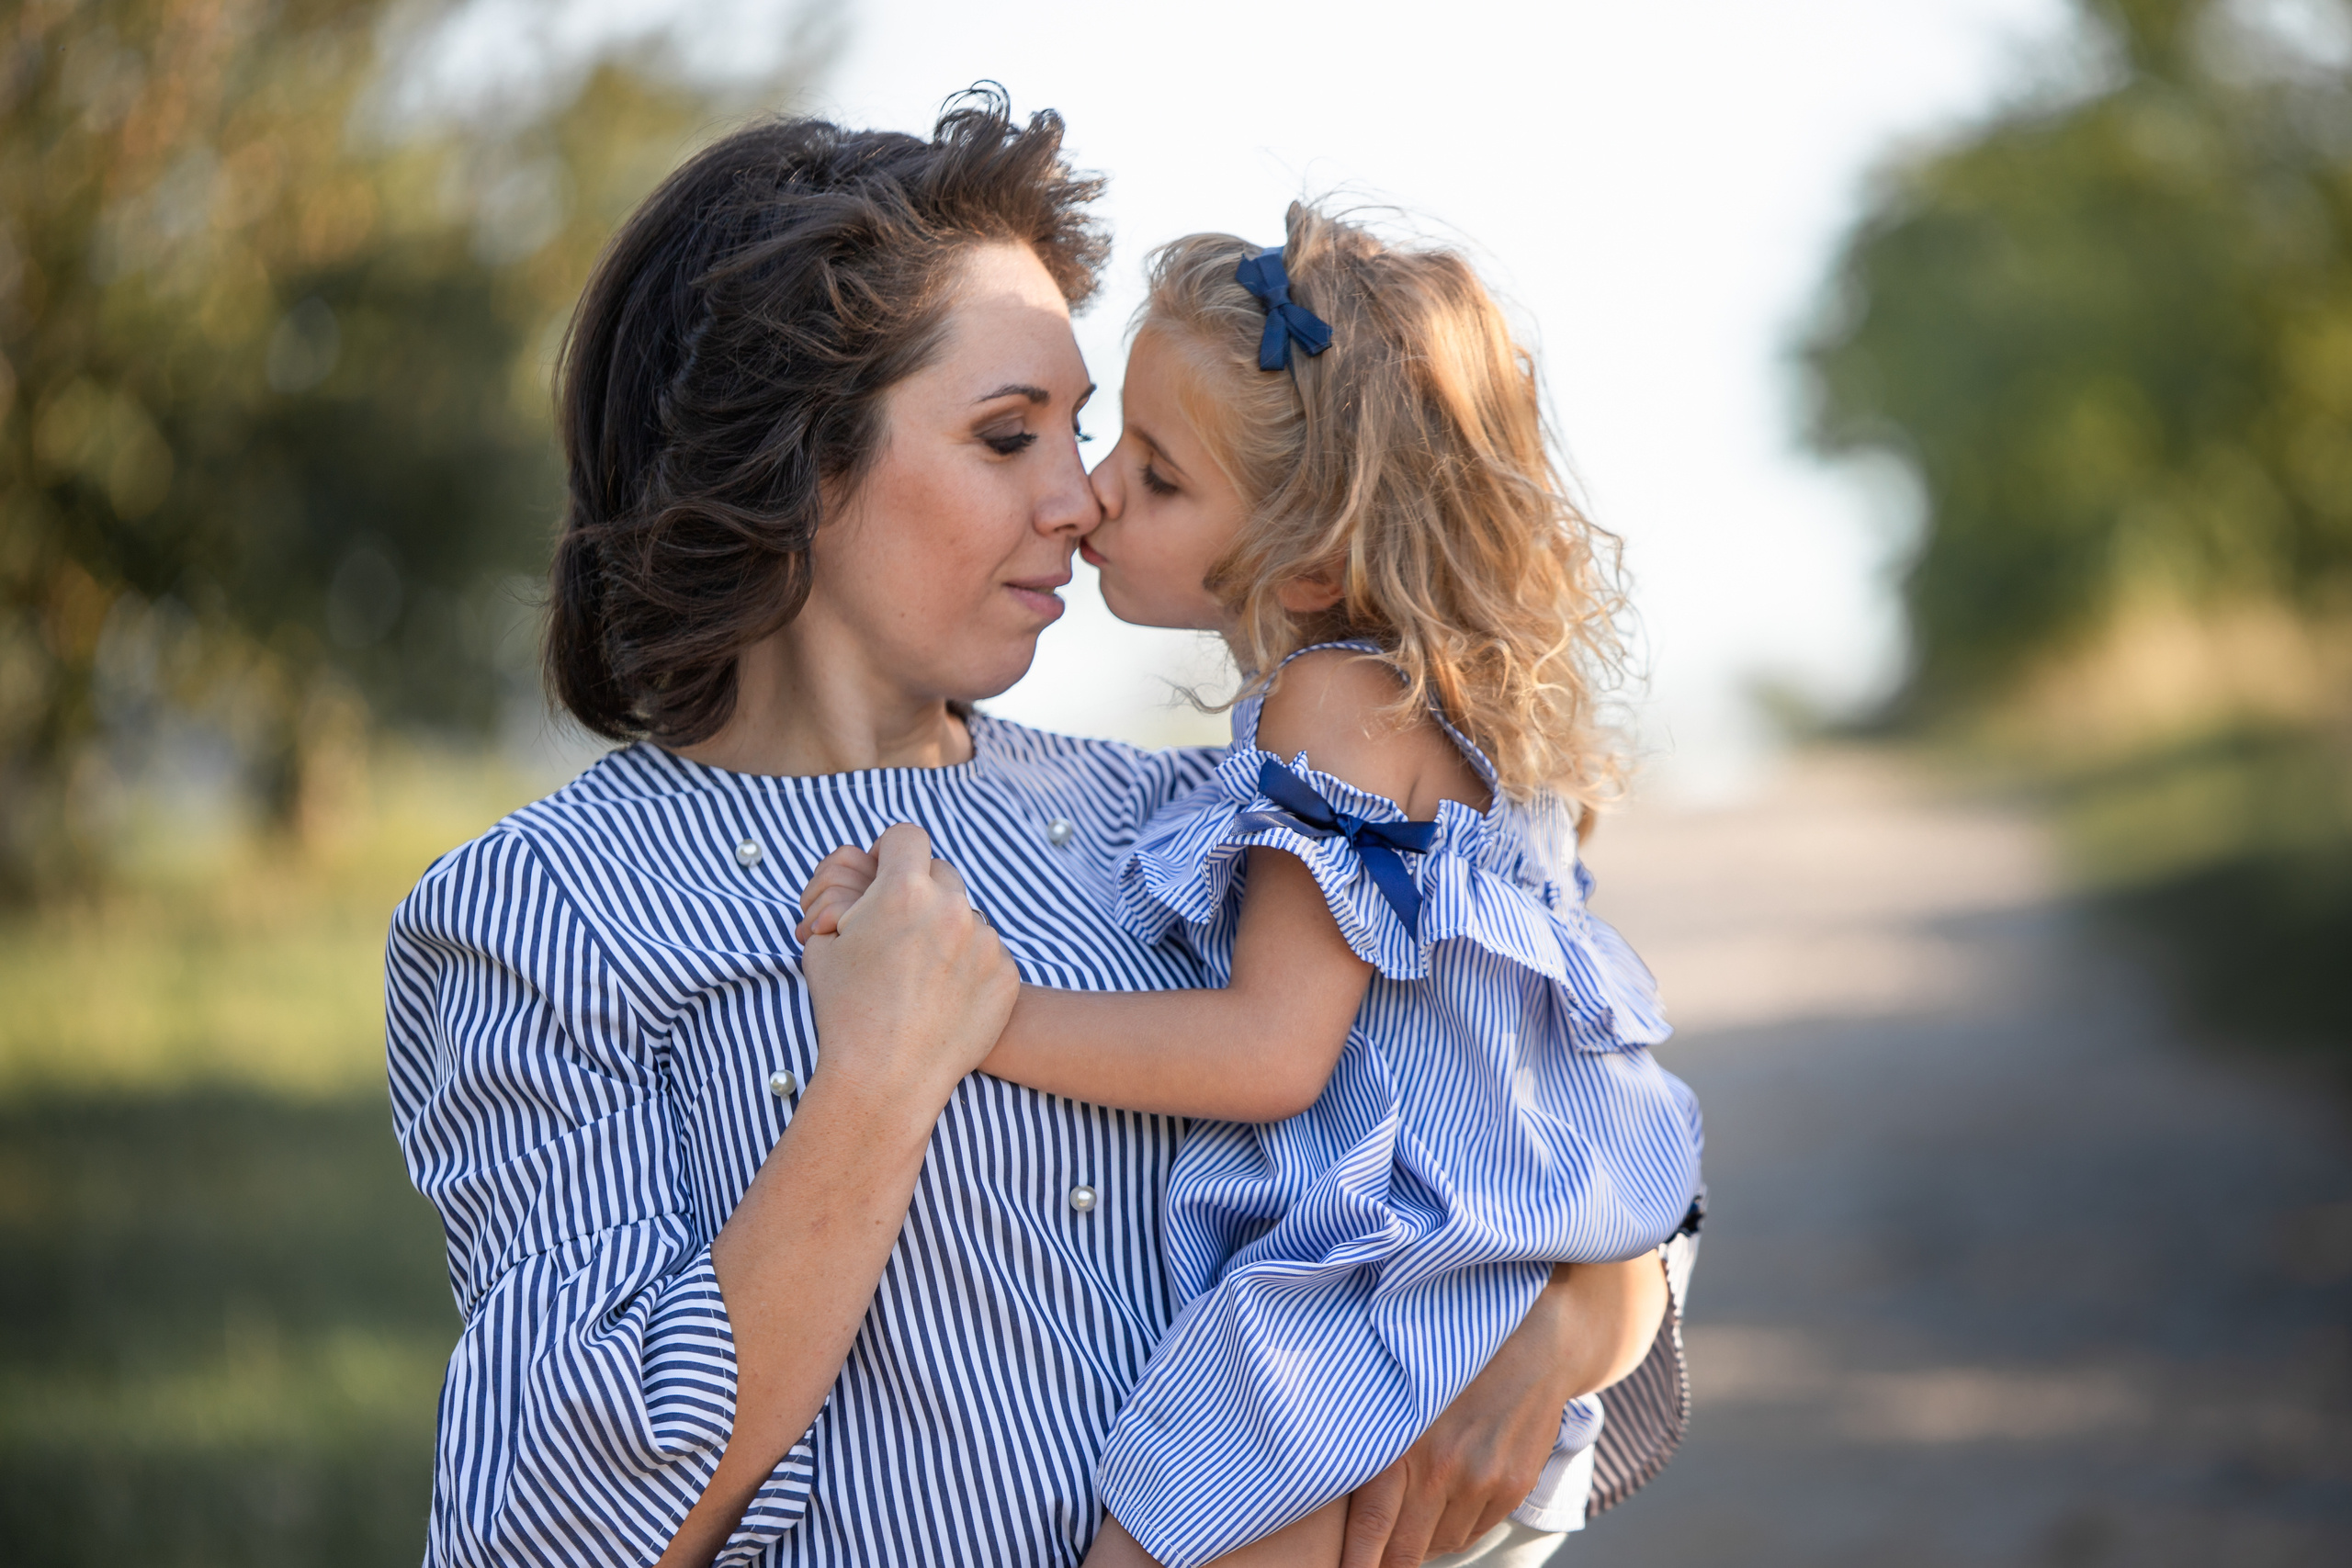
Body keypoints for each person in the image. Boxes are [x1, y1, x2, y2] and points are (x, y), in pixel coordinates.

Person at [385, 95, 1691, 1568]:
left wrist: (1595, 1309)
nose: (1079, 500)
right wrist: (878, 1080)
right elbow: (548, 1526)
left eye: (1084, 435)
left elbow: (1522, 1109)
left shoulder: (1178, 819)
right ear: (793, 464)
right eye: (1010, 437)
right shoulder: (538, 912)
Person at [795, 209, 1703, 1568]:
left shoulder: (1332, 709)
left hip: (1372, 1300)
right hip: (1481, 1273)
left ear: (1312, 562)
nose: (1093, 492)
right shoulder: (1429, 715)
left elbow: (1273, 1051)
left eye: (1157, 479)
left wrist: (979, 1018)